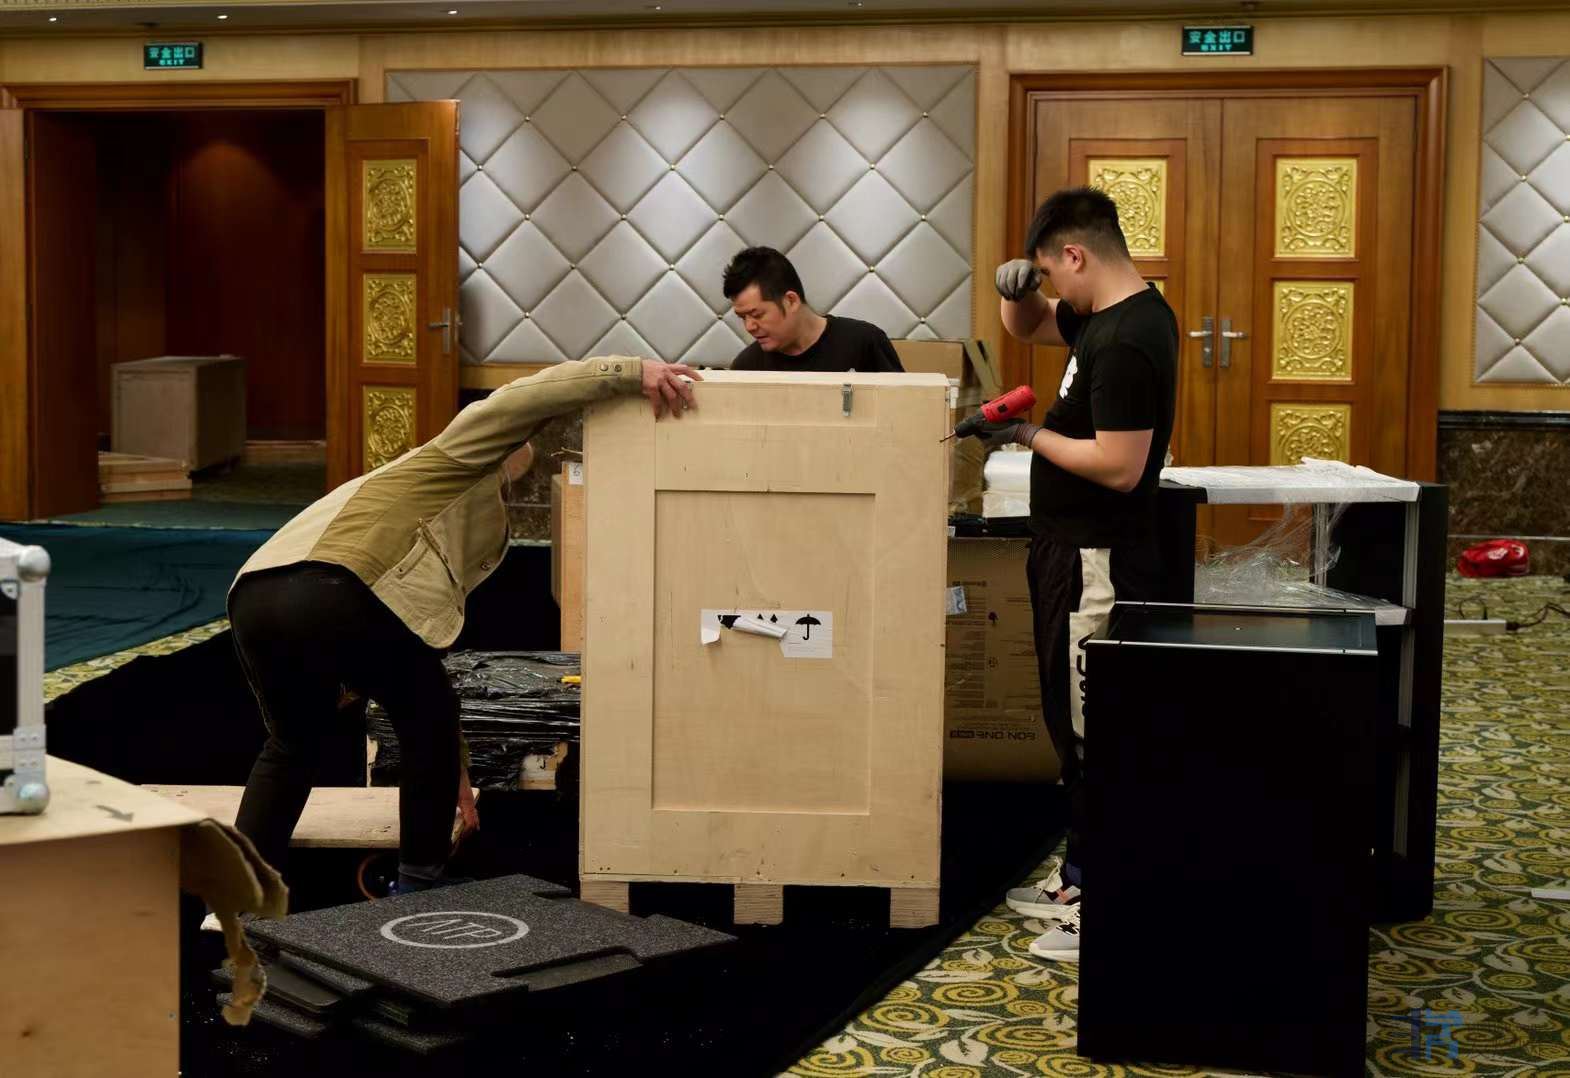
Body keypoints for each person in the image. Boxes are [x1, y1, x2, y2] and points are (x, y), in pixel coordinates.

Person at [227, 357, 700, 894]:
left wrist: (454, 772)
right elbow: (524, 398)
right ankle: (417, 888)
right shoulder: (453, 453)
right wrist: (630, 372)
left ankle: (239, 898)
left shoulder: (397, 492)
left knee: (294, 745)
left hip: (254, 597)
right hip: (338, 586)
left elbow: (416, 661)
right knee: (424, 718)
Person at [981, 187, 1178, 963]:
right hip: (1068, 550)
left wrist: (1027, 435)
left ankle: (1108, 896)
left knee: (1100, 733)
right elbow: (1028, 326)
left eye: (1052, 273)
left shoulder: (1128, 338)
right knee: (1069, 723)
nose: (1053, 291)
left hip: (1099, 559)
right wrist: (1016, 291)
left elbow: (1120, 466)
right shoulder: (1100, 314)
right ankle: (1080, 875)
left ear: (1078, 255)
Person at [724, 246, 904, 372]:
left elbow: (903, 408)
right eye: (742, 317)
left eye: (757, 314)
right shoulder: (747, 367)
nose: (749, 327)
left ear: (791, 301)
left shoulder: (863, 343)